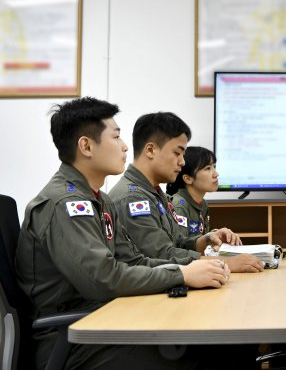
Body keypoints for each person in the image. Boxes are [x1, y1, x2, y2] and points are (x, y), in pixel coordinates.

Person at [15, 97, 231, 369]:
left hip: (102, 320)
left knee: (212, 342)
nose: (125, 146)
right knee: (206, 353)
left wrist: (195, 267)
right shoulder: (64, 205)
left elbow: (133, 261)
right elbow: (103, 279)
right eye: (116, 137)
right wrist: (182, 274)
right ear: (86, 146)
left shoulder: (100, 200)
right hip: (73, 339)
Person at [108, 112, 263, 273]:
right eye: (177, 153)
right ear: (151, 150)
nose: (182, 162)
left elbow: (178, 242)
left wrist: (207, 239)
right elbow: (161, 255)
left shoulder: (155, 193)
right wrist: (224, 263)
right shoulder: (133, 198)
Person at [166, 146, 218, 238]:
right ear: (188, 179)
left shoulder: (203, 204)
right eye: (208, 168)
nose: (216, 174)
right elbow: (180, 247)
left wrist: (216, 235)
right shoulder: (179, 205)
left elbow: (202, 239)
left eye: (214, 166)